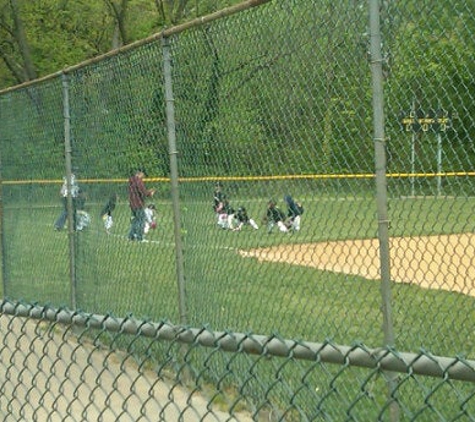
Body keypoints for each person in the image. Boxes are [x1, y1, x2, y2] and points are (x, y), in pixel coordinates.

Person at [128, 169, 155, 241]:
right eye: (143, 174)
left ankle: (131, 236)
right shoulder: (138, 181)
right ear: (140, 173)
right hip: (138, 204)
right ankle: (139, 237)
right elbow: (143, 192)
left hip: (132, 204)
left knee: (135, 220)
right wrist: (150, 193)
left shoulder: (131, 180)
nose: (143, 176)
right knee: (142, 220)